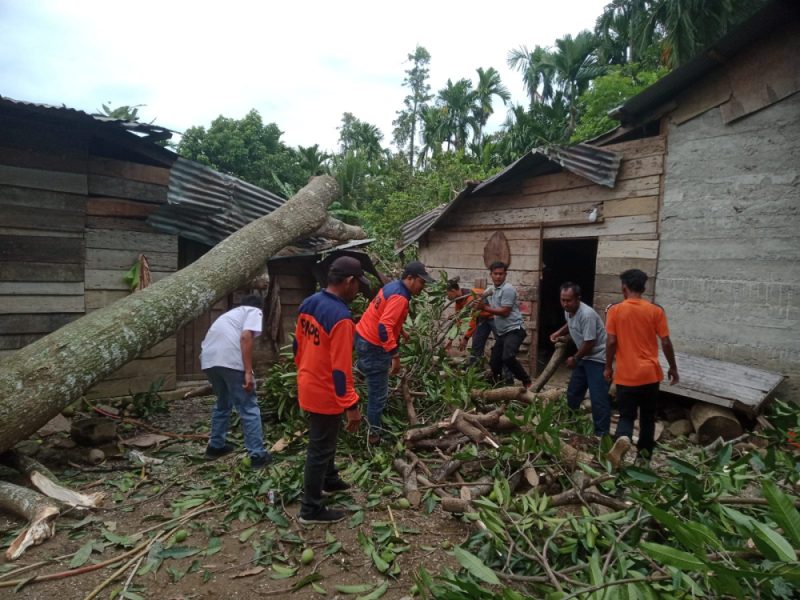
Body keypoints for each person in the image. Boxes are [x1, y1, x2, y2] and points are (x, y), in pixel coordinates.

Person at [294, 256, 367, 524]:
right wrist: (352, 406)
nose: (358, 290)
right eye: (358, 284)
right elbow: (341, 370)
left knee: (326, 441)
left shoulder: (309, 302)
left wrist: (305, 371)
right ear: (348, 281)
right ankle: (310, 509)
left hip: (308, 381)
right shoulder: (341, 319)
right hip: (325, 391)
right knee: (318, 448)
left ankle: (329, 478)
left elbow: (296, 345)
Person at [604, 269, 679, 468]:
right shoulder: (656, 310)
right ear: (644, 288)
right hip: (650, 375)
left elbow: (611, 342)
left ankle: (623, 438)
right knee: (648, 418)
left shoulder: (615, 310)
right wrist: (673, 367)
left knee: (627, 415)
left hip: (627, 376)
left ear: (624, 288)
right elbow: (666, 342)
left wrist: (608, 367)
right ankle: (644, 459)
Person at [355, 261, 433, 444]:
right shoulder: (400, 297)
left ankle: (359, 371)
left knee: (367, 370)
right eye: (421, 282)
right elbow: (384, 327)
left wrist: (402, 332)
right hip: (374, 345)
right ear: (410, 279)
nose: (423, 286)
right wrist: (395, 357)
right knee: (378, 394)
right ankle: (374, 435)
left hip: (362, 335)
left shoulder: (392, 286)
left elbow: (383, 315)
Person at [200, 295, 271, 469]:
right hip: (230, 361)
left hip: (209, 361)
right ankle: (257, 455)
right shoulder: (254, 311)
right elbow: (246, 337)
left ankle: (215, 446)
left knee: (223, 402)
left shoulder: (229, 316)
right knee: (248, 406)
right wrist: (248, 371)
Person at [549, 282, 611, 436]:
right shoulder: (568, 311)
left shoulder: (587, 314)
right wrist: (558, 333)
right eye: (562, 300)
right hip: (585, 357)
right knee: (573, 393)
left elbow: (590, 342)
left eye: (568, 300)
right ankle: (571, 424)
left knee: (598, 398)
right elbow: (569, 324)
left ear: (578, 299)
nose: (565, 303)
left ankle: (601, 435)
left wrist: (575, 358)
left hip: (597, 358)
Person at [478, 261, 531, 388]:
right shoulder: (492, 289)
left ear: (505, 275)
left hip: (514, 330)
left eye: (501, 274)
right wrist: (476, 302)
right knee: (494, 363)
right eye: (495, 274)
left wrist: (484, 307)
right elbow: (479, 298)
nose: (498, 276)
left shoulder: (508, 290)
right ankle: (498, 387)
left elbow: (505, 312)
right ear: (491, 275)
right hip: (502, 333)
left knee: (508, 357)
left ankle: (527, 381)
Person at [445, 279, 493, 366]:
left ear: (453, 291)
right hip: (481, 318)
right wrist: (450, 339)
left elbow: (472, 319)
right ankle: (476, 368)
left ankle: (476, 367)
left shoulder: (470, 297)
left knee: (500, 343)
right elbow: (458, 320)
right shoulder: (459, 301)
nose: (447, 297)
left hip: (493, 317)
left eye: (447, 294)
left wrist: (466, 338)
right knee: (476, 345)